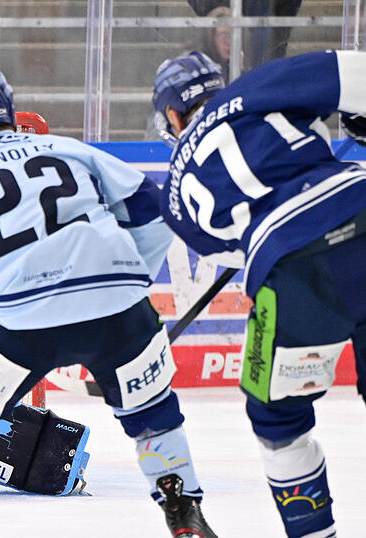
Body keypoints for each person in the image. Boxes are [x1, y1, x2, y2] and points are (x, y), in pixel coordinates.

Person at [0, 67, 218, 538]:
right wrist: (131, 279)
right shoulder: (70, 149)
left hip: (20, 319)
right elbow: (151, 206)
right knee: (153, 414)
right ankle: (184, 514)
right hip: (118, 310)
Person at [152, 49, 366, 537]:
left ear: (171, 115)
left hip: (290, 266)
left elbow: (234, 254)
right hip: (358, 201)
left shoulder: (174, 194)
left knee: (277, 417)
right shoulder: (260, 87)